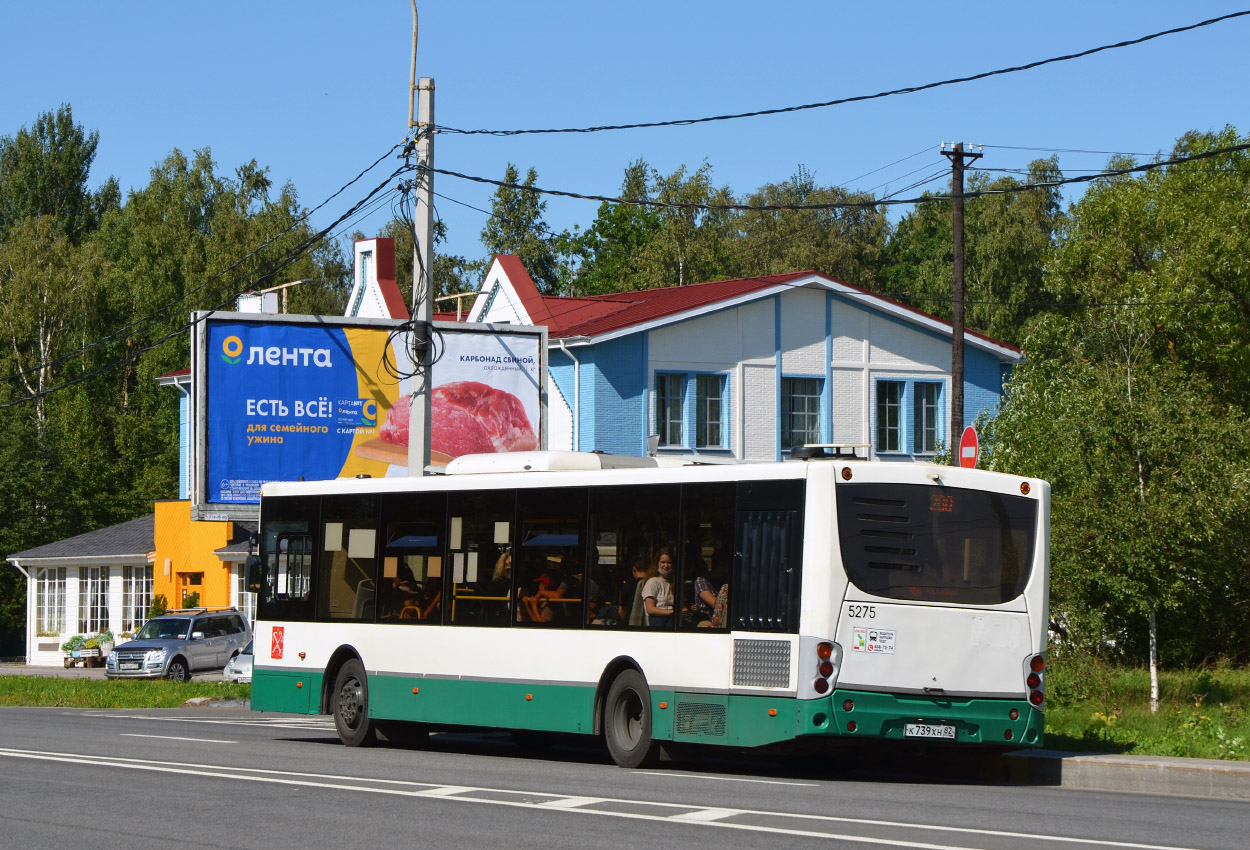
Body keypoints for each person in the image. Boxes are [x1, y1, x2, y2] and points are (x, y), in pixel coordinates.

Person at [642, 548, 676, 627]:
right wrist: (672, 612)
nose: (666, 566)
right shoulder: (653, 582)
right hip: (658, 620)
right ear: (657, 563)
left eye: (669, 562)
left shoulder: (674, 582)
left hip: (673, 619)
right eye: (663, 562)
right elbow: (650, 609)